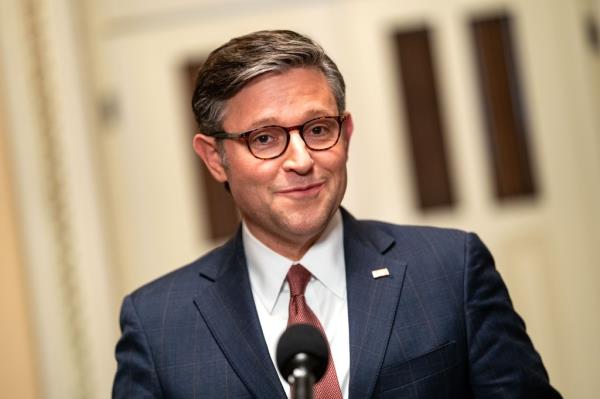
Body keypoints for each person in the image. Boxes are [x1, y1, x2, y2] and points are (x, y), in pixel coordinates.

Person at [112, 30, 561, 398]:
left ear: (345, 133)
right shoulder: (158, 324)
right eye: (265, 139)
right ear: (214, 158)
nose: (302, 159)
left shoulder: (449, 269)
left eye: (318, 129)